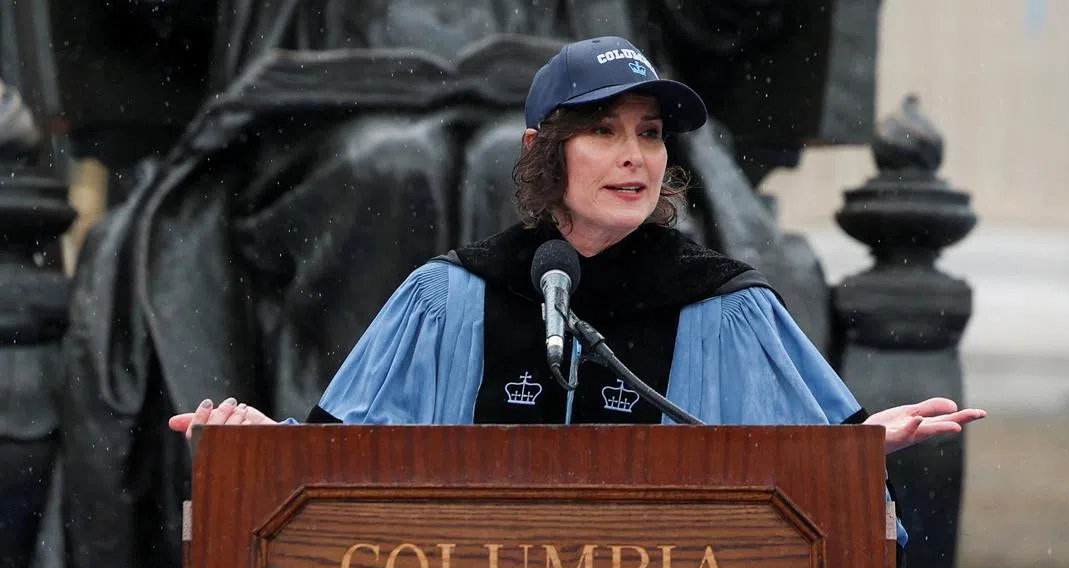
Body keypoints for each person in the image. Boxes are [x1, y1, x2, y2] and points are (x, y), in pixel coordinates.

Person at [169, 36, 984, 479]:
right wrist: (263, 445)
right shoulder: (450, 299)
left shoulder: (726, 310)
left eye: (651, 134)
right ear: (542, 149)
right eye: (603, 130)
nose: (635, 155)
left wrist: (855, 450)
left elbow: (803, 487)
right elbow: (342, 475)